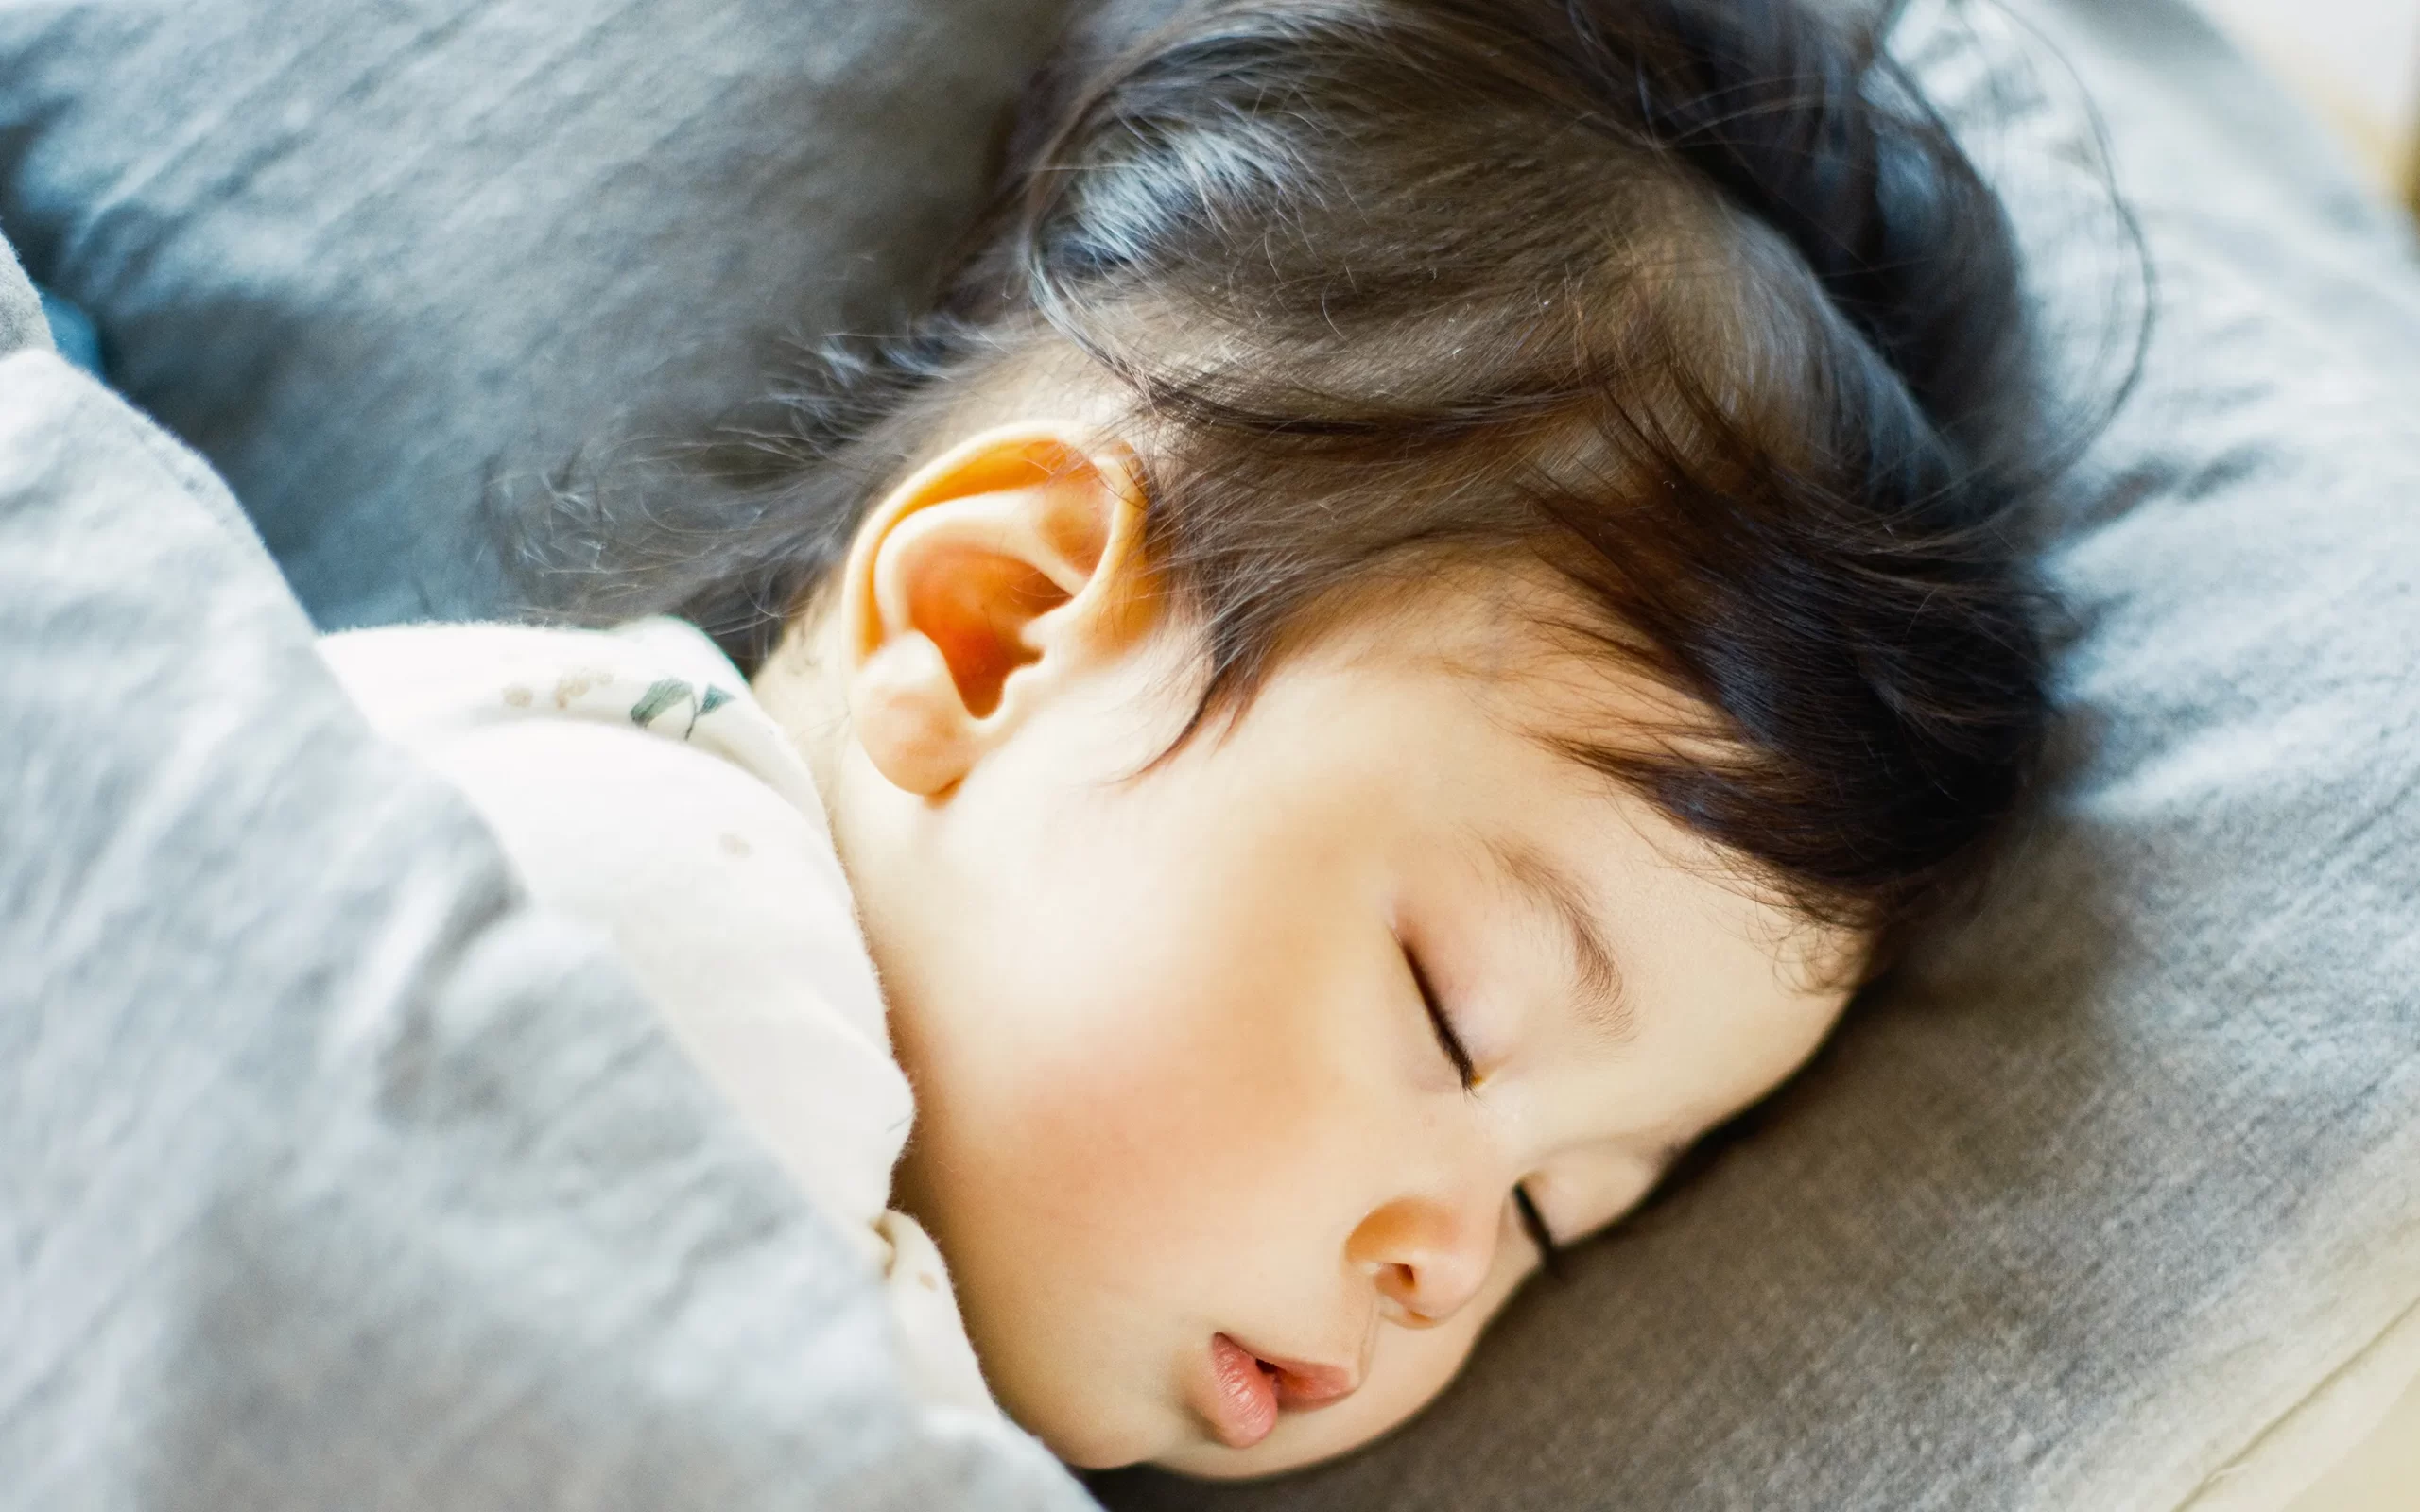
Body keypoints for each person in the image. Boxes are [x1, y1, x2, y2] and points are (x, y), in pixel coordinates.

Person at [325, 0, 2050, 1478]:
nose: (1448, 1270)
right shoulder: (610, 908)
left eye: (1555, 1216)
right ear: (992, 627)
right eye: (1453, 1024)